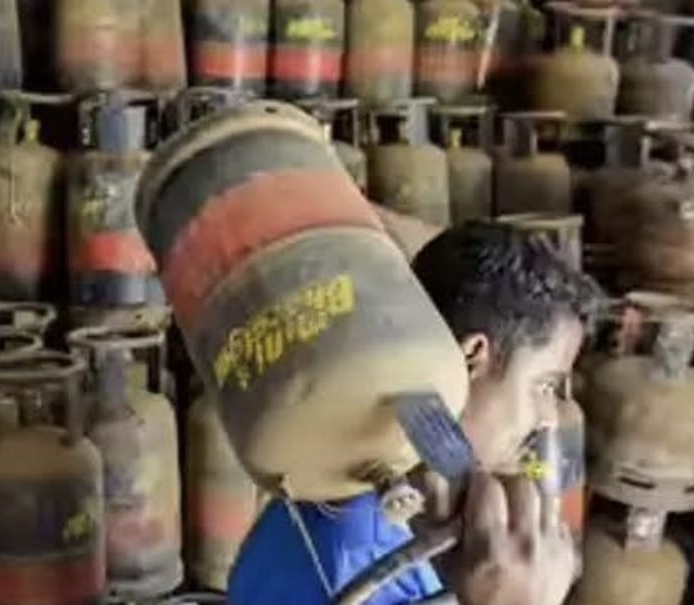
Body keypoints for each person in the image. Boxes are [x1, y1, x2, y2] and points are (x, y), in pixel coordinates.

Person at [227, 215, 604, 605]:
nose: (549, 418)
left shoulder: (354, 484)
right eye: (544, 385)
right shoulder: (368, 559)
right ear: (472, 356)